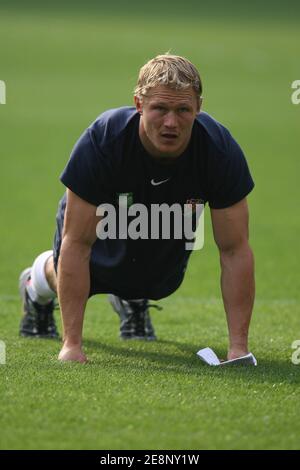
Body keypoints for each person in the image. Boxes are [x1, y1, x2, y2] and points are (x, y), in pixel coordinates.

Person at [19, 54, 255, 364]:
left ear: (198, 107)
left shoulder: (219, 150)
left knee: (160, 282)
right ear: (139, 104)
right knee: (94, 265)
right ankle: (36, 283)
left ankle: (130, 296)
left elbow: (235, 250)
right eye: (160, 108)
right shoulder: (103, 140)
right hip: (105, 216)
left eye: (183, 109)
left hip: (163, 222)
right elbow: (77, 243)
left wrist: (238, 348)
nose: (171, 122)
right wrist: (72, 345)